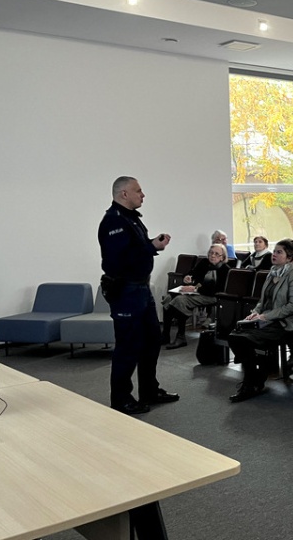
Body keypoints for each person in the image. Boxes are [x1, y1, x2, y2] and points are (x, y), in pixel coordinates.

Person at [97, 176, 177, 415]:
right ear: (124, 194)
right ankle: (121, 399)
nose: (143, 195)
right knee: (128, 346)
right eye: (138, 191)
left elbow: (135, 249)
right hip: (126, 291)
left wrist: (151, 243)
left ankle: (149, 390)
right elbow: (120, 259)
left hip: (141, 288)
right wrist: (152, 247)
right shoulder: (114, 222)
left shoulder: (132, 219)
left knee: (152, 341)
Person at [226, 238, 293, 403]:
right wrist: (254, 313)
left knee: (245, 339)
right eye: (274, 251)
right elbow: (263, 301)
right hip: (266, 319)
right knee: (235, 334)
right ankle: (257, 373)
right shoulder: (272, 273)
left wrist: (265, 316)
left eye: (279, 252)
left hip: (284, 323)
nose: (274, 255)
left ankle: (252, 381)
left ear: (289, 257)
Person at [162, 243, 230, 349]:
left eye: (216, 254)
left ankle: (181, 336)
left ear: (222, 257)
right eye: (211, 253)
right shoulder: (204, 263)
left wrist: (195, 289)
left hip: (211, 295)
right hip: (195, 293)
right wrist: (188, 278)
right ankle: (165, 335)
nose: (213, 256)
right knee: (168, 298)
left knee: (180, 300)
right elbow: (192, 273)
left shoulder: (225, 270)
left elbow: (218, 289)